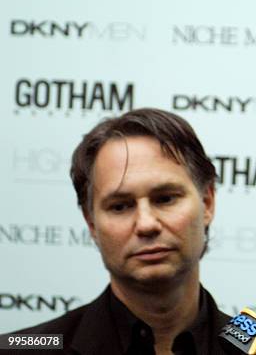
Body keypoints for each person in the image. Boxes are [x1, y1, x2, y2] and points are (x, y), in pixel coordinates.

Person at [5, 108, 226, 354]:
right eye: (120, 206)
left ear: (207, 203)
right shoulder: (22, 349)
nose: (146, 224)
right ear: (91, 224)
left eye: (165, 199)